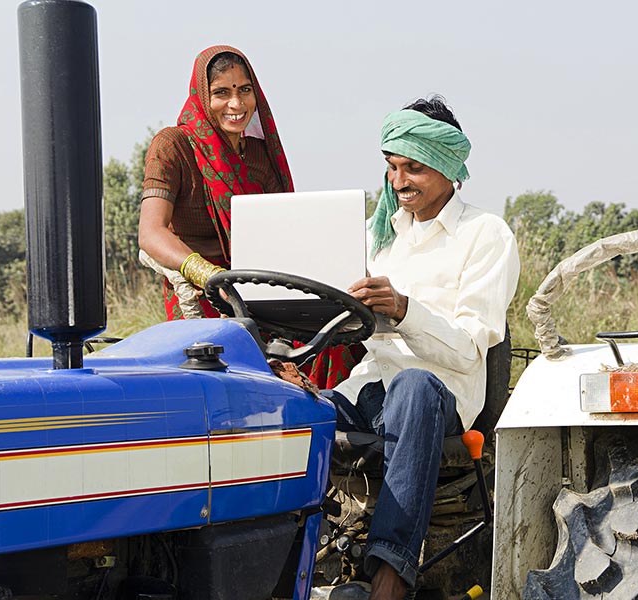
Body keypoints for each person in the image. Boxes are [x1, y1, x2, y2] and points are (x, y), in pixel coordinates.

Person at [324, 96, 520, 599]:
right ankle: (300, 563)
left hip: (442, 396)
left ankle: (388, 579)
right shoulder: (376, 234)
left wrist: (406, 309)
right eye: (392, 167)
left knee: (412, 385)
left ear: (450, 167)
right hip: (371, 390)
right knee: (292, 408)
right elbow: (352, 329)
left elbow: (467, 349)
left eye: (413, 168)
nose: (398, 182)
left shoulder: (486, 235)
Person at [138, 45, 356, 388]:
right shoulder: (172, 146)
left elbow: (286, 228)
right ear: (201, 95)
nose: (236, 104)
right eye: (222, 93)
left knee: (340, 340)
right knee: (236, 377)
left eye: (245, 90)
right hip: (203, 296)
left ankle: (335, 431)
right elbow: (151, 233)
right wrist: (213, 277)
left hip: (262, 288)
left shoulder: (259, 155)